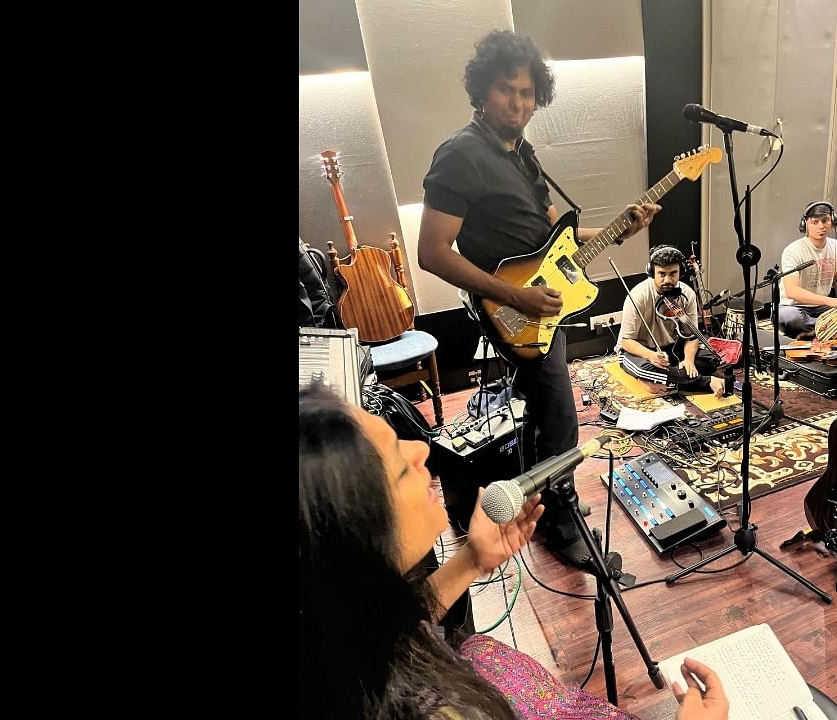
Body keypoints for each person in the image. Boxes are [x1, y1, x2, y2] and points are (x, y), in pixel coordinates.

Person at [299, 383, 730, 719]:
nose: (422, 449)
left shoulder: (336, 642)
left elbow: (389, 637)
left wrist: (471, 560)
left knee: (482, 650)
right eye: (396, 462)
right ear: (357, 535)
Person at [417, 29, 660, 569]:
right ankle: (558, 520)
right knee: (558, 414)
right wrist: (514, 296)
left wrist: (621, 228)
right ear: (482, 90)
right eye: (508, 90)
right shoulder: (459, 155)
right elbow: (432, 252)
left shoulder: (523, 154)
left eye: (528, 94)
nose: (519, 104)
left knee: (545, 413)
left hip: (540, 303)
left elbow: (557, 233)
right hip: (509, 311)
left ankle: (539, 503)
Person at [616, 245, 728, 397]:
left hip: (671, 350)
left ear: (680, 271)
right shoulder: (637, 296)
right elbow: (626, 342)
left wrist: (688, 359)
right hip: (639, 351)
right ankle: (703, 381)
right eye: (661, 274)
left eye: (673, 273)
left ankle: (663, 378)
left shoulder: (687, 294)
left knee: (710, 361)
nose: (667, 280)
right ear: (652, 272)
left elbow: (692, 335)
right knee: (646, 369)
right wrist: (650, 355)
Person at [776, 201, 837, 337]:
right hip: (793, 307)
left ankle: (818, 330)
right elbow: (792, 291)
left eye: (825, 220)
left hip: (822, 309)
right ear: (805, 224)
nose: (821, 226)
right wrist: (830, 301)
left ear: (832, 221)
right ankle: (827, 329)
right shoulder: (793, 250)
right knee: (790, 318)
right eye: (815, 222)